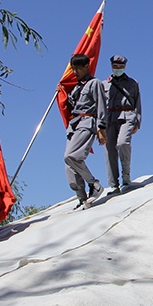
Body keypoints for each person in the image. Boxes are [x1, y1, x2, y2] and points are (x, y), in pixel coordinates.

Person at [60, 53, 107, 209]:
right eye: (73, 69)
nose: (75, 72)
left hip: (87, 122)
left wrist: (101, 127)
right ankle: (81, 197)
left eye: (78, 68)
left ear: (87, 66)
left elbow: (101, 105)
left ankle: (94, 184)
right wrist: (62, 93)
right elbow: (73, 106)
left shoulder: (95, 83)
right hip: (74, 124)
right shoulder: (76, 87)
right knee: (69, 164)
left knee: (72, 156)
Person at [103, 55, 140, 194]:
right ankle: (113, 184)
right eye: (115, 66)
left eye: (121, 67)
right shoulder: (104, 84)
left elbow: (138, 102)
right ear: (111, 66)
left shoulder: (132, 83)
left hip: (127, 115)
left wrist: (137, 121)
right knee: (110, 151)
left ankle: (126, 175)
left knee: (123, 143)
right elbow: (99, 105)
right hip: (109, 117)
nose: (118, 69)